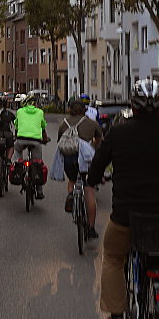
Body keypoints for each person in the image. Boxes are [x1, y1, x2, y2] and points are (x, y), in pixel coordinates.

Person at [87, 78, 159, 319]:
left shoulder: (119, 132)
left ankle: (117, 316)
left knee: (111, 257)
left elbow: (97, 166)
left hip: (126, 216)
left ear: (132, 106)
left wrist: (94, 179)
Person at [58, 99, 103, 238]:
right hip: (85, 159)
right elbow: (99, 139)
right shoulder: (91, 123)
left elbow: (60, 141)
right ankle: (90, 227)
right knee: (89, 189)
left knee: (72, 179)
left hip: (69, 158)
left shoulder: (63, 124)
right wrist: (93, 147)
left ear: (70, 109)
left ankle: (71, 194)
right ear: (84, 110)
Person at [14, 96, 48, 199]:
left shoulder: (20, 111)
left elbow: (17, 126)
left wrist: (16, 136)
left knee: (17, 149)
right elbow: (43, 128)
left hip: (21, 139)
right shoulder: (40, 112)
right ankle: (39, 190)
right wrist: (45, 139)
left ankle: (18, 164)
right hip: (36, 141)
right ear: (36, 104)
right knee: (37, 163)